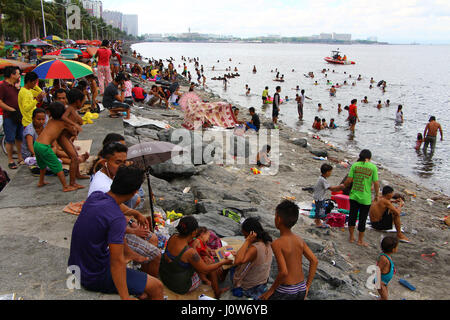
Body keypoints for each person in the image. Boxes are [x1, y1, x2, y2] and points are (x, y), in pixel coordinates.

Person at [68, 165, 164, 300]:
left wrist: (134, 212)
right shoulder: (116, 219)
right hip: (92, 274)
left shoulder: (96, 196)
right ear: (134, 192)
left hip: (76, 264)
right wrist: (124, 297)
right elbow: (116, 262)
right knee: (157, 287)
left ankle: (132, 264)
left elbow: (117, 206)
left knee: (143, 289)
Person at [88, 142, 160, 277]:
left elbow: (115, 206)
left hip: (114, 224)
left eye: (124, 162)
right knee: (156, 254)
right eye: (117, 162)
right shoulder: (102, 187)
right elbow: (110, 222)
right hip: (104, 237)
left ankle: (144, 274)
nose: (122, 166)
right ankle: (148, 281)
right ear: (105, 162)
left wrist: (134, 214)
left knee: (153, 238)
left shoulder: (108, 176)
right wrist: (132, 228)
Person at [159, 216, 232, 297]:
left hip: (166, 277)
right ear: (194, 232)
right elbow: (205, 270)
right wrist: (223, 262)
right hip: (179, 286)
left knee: (203, 261)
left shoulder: (173, 236)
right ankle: (217, 292)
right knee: (210, 266)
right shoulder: (190, 252)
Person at [260, 200, 318, 300]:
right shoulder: (299, 240)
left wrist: (271, 290)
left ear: (278, 219)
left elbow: (283, 272)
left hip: (286, 291)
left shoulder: (277, 243)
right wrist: (307, 286)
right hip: (301, 288)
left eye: (275, 216)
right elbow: (314, 261)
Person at [33, 102, 77, 192]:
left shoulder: (51, 120)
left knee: (42, 165)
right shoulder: (62, 123)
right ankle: (65, 186)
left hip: (37, 144)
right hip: (44, 147)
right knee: (58, 166)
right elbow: (73, 131)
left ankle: (41, 181)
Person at [344, 149, 380, 247]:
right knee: (362, 219)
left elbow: (349, 180)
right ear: (369, 157)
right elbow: (376, 183)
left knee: (352, 216)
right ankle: (360, 240)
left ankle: (351, 237)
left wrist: (343, 187)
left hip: (354, 196)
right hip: (366, 198)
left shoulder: (355, 165)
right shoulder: (373, 167)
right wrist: (377, 195)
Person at [231, 217, 273, 299]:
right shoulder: (267, 242)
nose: (244, 238)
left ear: (251, 235)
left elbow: (238, 261)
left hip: (249, 287)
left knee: (231, 266)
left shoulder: (254, 248)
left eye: (245, 236)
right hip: (262, 281)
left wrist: (247, 241)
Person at [189, 227, 228, 299]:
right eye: (208, 236)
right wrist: (203, 259)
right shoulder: (197, 241)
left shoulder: (203, 243)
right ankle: (217, 292)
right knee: (212, 269)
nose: (209, 238)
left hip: (203, 261)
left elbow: (209, 250)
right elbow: (192, 254)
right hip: (198, 264)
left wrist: (212, 252)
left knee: (216, 266)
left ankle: (218, 281)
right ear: (202, 234)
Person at [0, 66, 24, 169]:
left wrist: (18, 88)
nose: (19, 76)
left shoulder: (15, 86)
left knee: (19, 137)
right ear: (12, 74)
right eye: (18, 74)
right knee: (10, 139)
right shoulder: (3, 86)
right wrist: (11, 109)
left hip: (18, 115)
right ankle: (10, 160)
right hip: (9, 116)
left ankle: (20, 157)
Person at [374, 236, 398, 300]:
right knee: (385, 297)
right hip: (381, 282)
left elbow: (389, 265)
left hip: (385, 282)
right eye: (396, 247)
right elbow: (378, 269)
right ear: (393, 249)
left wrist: (392, 269)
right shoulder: (383, 258)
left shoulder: (388, 256)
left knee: (385, 296)